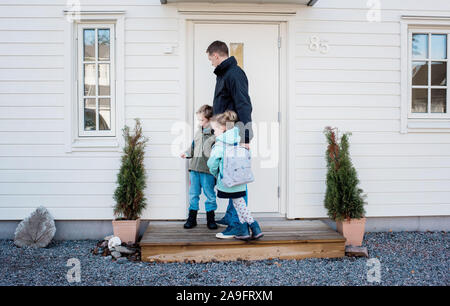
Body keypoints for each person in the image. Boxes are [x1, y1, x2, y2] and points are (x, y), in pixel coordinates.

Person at [206, 40, 254, 239]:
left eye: (210, 59)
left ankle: (237, 224)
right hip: (226, 135)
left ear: (217, 55)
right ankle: (230, 215)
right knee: (228, 176)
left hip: (235, 136)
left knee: (236, 178)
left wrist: (245, 137)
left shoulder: (234, 74)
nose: (211, 63)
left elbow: (244, 105)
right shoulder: (224, 74)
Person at [207, 111, 263, 240]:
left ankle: (254, 226)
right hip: (241, 180)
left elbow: (212, 163)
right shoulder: (239, 140)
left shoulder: (220, 144)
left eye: (214, 129)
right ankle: (244, 230)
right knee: (239, 204)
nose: (213, 132)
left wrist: (216, 173)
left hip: (228, 180)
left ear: (223, 128)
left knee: (240, 205)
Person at [181, 105, 217, 230]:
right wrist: (187, 153)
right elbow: (193, 146)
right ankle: (192, 218)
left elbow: (218, 152)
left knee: (210, 194)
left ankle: (211, 219)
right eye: (199, 120)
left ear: (210, 119)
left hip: (207, 171)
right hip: (194, 170)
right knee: (193, 194)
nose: (200, 123)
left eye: (202, 120)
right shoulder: (198, 133)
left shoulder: (215, 135)